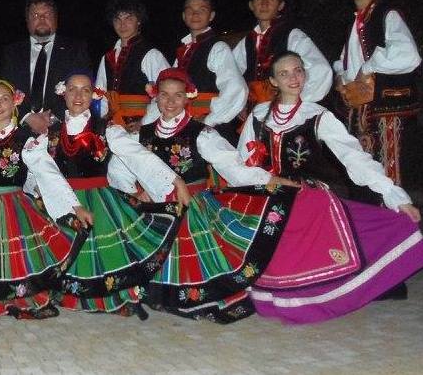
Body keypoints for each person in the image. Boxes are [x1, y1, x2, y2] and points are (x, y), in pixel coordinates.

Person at [239, 52, 423, 324]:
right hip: (267, 192)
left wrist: (393, 195)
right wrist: (261, 183)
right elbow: (242, 163)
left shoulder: (317, 115)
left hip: (306, 195)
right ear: (273, 81)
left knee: (324, 221)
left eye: (298, 70)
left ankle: (313, 295)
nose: (293, 78)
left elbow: (354, 157)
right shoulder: (258, 116)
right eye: (284, 73)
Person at [121, 68, 297, 323]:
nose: (170, 101)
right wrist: (136, 192)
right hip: (154, 209)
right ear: (155, 97)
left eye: (178, 95)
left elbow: (236, 170)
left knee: (196, 256)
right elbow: (123, 168)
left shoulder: (202, 134)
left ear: (187, 98)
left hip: (190, 207)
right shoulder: (140, 134)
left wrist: (278, 182)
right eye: (164, 95)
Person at [46, 72, 186, 316]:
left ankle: (110, 299)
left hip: (99, 198)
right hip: (66, 198)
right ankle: (71, 296)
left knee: (108, 252)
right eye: (72, 89)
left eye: (85, 90)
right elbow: (43, 168)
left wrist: (175, 180)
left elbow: (137, 154)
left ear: (94, 95)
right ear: (63, 94)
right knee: (69, 249)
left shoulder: (106, 129)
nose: (78, 95)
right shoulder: (51, 132)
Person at [0, 80, 92, 319]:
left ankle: (15, 299)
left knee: (13, 257)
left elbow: (47, 172)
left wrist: (75, 206)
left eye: (4, 99)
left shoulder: (26, 139)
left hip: (11, 207)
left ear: (15, 103)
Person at [333, 0, 421, 186]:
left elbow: (408, 54)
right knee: (364, 177)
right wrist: (340, 77)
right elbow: (345, 60)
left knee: (389, 176)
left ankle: (396, 210)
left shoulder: (386, 14)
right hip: (359, 109)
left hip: (384, 110)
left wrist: (368, 68)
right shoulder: (355, 21)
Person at [232, 0, 331, 109]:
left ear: (280, 5)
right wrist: (239, 104)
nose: (264, 4)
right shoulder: (247, 42)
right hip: (255, 111)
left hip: (285, 111)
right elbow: (231, 75)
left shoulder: (293, 35)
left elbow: (321, 70)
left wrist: (296, 102)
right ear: (251, 5)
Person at [165, 0, 248, 144]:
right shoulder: (183, 51)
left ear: (211, 15)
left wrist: (210, 119)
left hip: (210, 130)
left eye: (202, 10)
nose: (195, 14)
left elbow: (236, 89)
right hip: (184, 124)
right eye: (190, 10)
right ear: (184, 16)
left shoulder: (218, 48)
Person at [0, 0, 90, 133]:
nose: (41, 19)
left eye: (47, 14)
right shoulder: (11, 53)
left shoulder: (75, 50)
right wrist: (27, 117)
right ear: (27, 21)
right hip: (18, 130)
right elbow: (4, 89)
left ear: (56, 19)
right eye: (35, 15)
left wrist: (52, 118)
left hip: (62, 129)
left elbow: (85, 89)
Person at [94, 0, 169, 131]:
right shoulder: (107, 57)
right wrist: (103, 123)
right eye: (117, 19)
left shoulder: (151, 54)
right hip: (112, 127)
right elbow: (101, 94)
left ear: (139, 21)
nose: (122, 25)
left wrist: (144, 122)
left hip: (140, 128)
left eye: (128, 18)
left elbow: (167, 93)